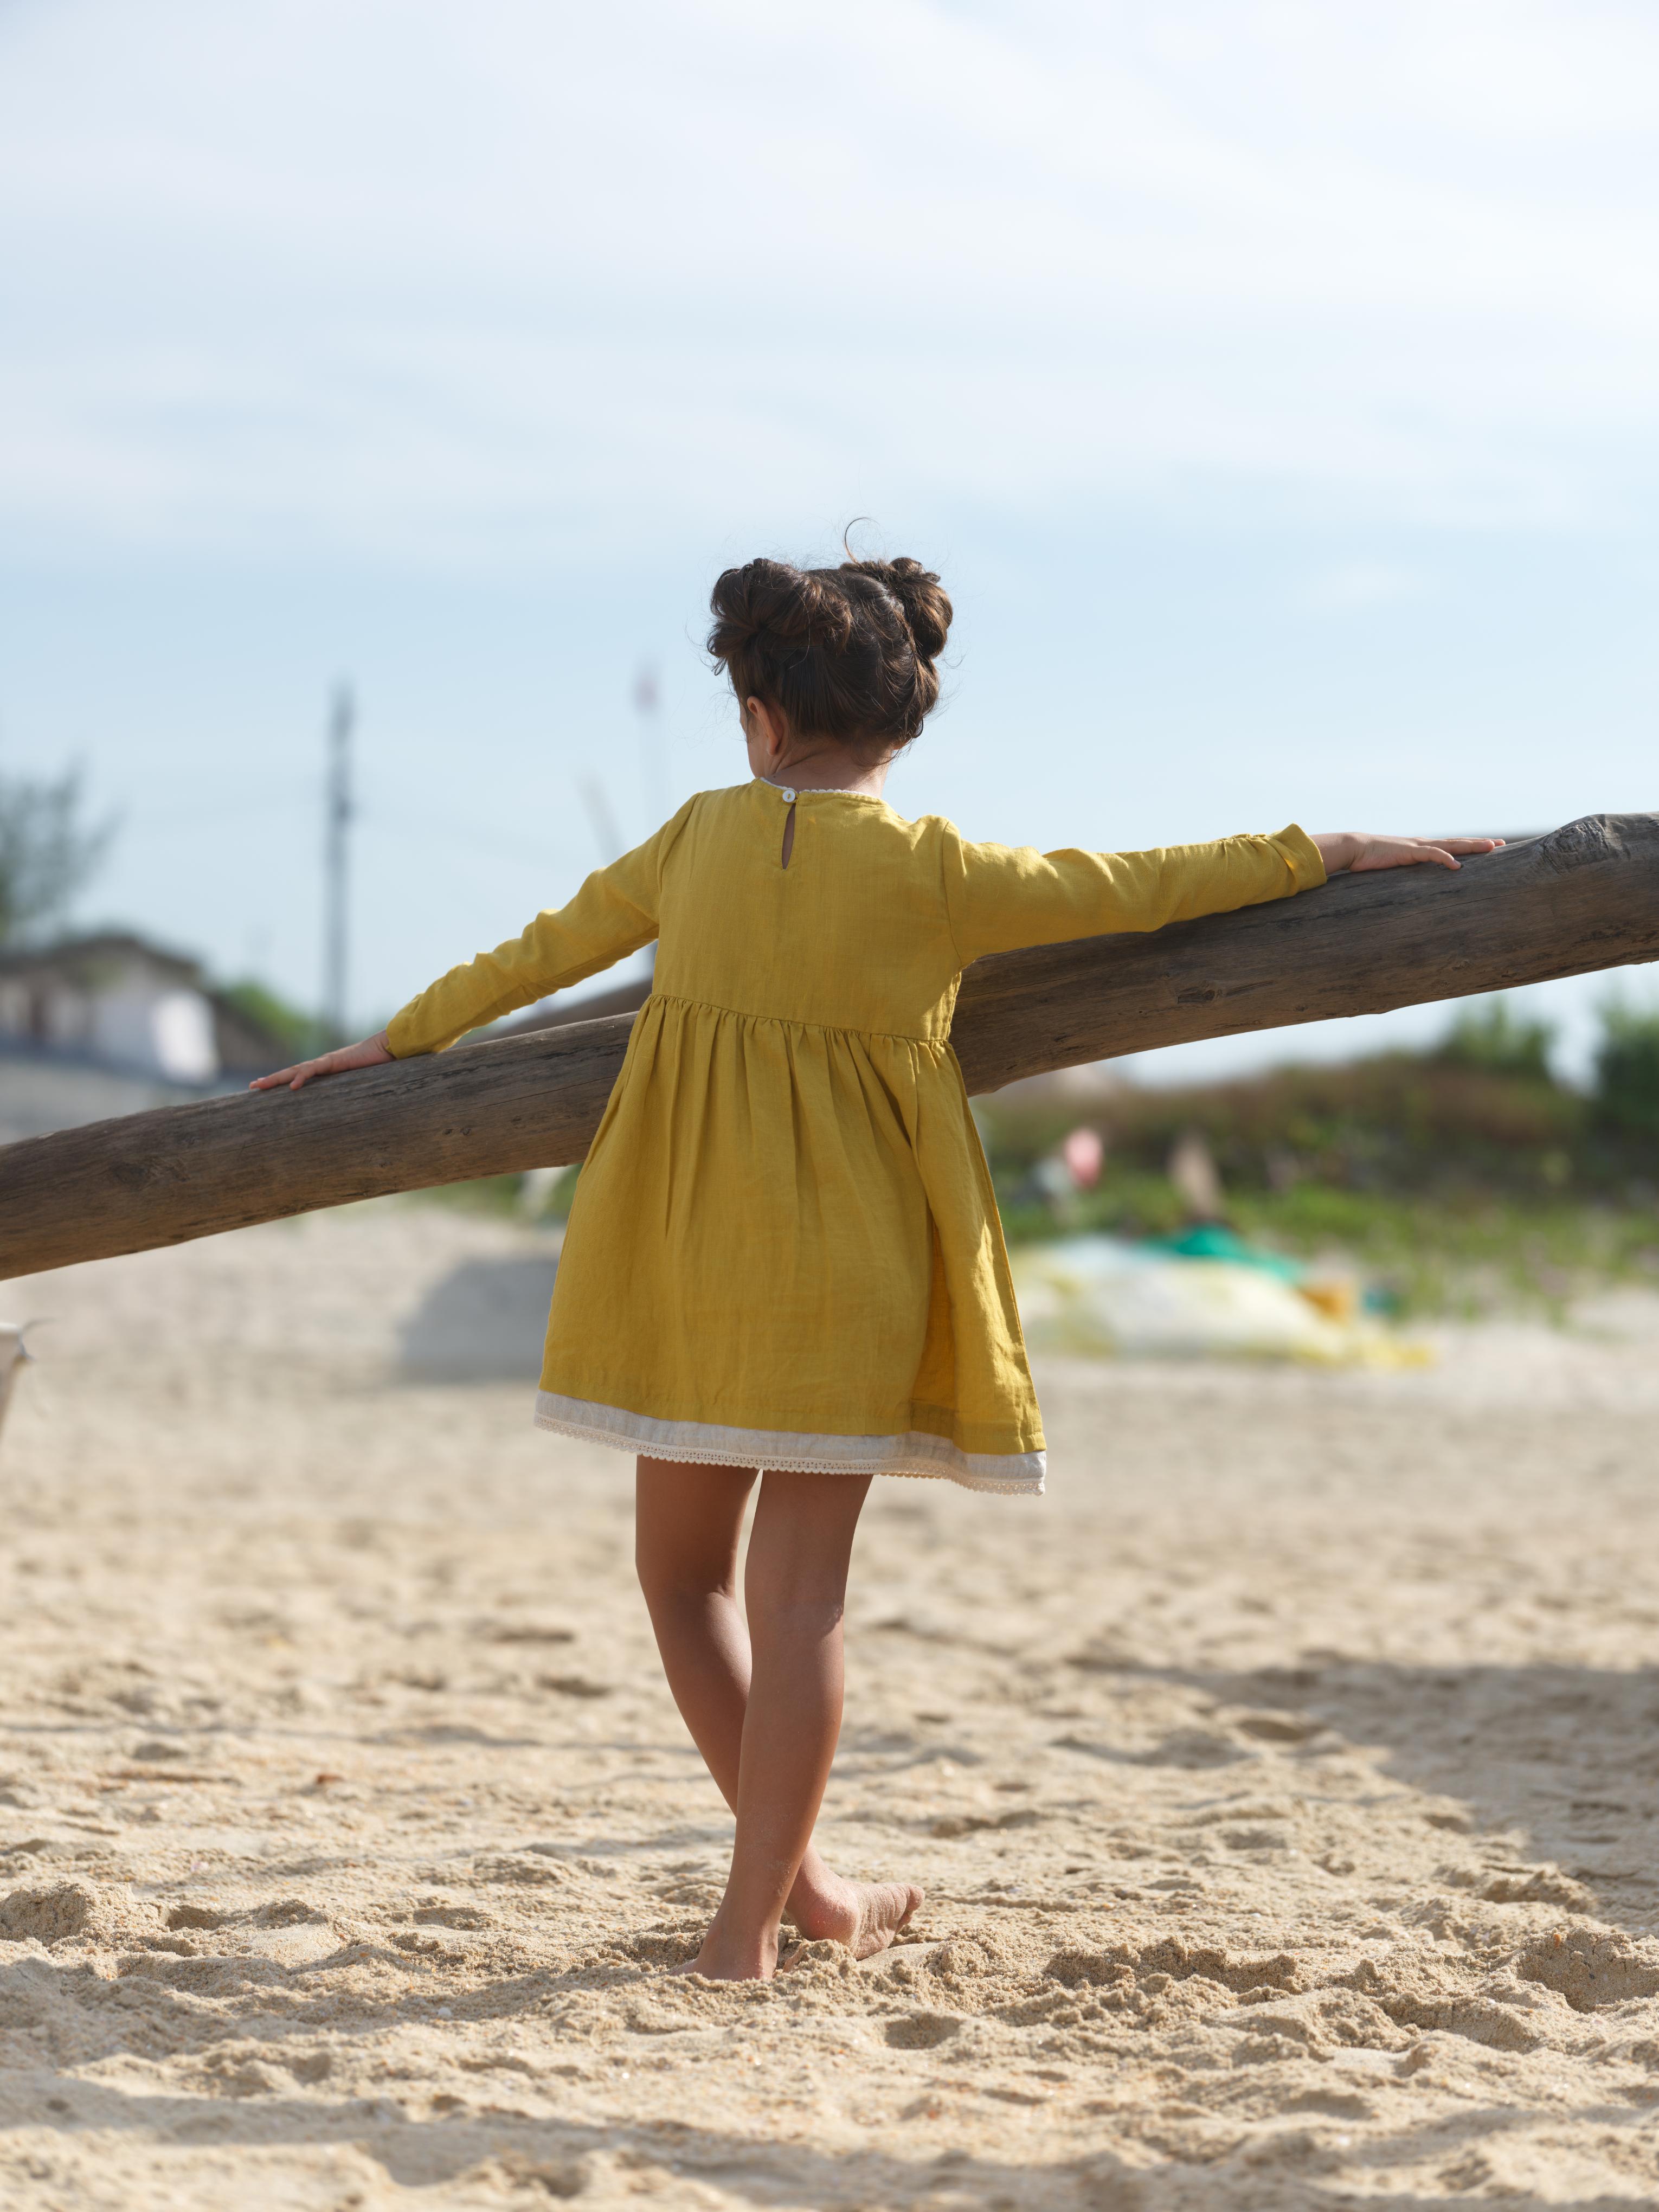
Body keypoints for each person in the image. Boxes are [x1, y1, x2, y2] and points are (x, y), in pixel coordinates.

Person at [254, 552, 1499, 1980]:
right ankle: (785, 1913)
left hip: (688, 1256)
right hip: (859, 1269)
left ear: (758, 712)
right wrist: (1322, 852)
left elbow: (537, 955)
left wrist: (394, 1039)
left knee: (679, 1583)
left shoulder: (689, 844)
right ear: (896, 724)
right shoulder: (939, 870)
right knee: (799, 1605)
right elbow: (1140, 888)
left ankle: (773, 1911)